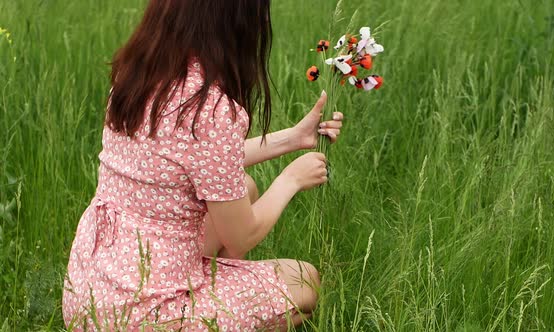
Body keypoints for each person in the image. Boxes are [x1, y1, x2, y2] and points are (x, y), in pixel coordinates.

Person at [61, 0, 344, 330]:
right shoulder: (211, 108)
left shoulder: (138, 73)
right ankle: (206, 311)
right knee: (306, 280)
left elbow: (198, 162)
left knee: (246, 187)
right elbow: (242, 236)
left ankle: (215, 297)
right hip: (145, 316)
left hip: (91, 301)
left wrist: (293, 138)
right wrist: (290, 179)